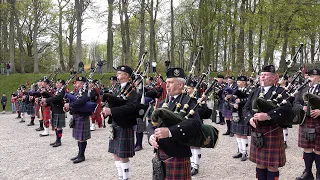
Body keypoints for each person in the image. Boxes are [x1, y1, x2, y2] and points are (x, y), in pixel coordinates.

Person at [148, 67, 201, 180]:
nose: (166, 85)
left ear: (181, 85)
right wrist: (151, 136)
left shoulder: (188, 101)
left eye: (170, 82)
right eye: (166, 82)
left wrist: (170, 132)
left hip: (177, 154)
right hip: (160, 154)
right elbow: (152, 124)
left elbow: (195, 123)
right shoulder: (162, 103)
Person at [243, 65, 294, 180]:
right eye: (261, 75)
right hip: (257, 131)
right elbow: (246, 108)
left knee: (272, 165)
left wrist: (268, 116)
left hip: (272, 131)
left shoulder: (281, 91)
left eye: (265, 75)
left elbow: (286, 109)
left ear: (273, 78)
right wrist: (250, 118)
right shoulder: (254, 91)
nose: (262, 77)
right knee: (259, 163)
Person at [101, 65, 138, 180]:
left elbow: (130, 107)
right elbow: (111, 101)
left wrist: (111, 111)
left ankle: (126, 177)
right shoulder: (117, 87)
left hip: (124, 123)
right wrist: (106, 110)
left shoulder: (132, 90)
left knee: (123, 154)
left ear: (126, 75)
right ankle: (120, 176)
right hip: (115, 122)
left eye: (119, 73)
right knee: (115, 152)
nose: (117, 75)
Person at [294, 69, 320, 180]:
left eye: (314, 75)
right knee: (307, 148)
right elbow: (295, 103)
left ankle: (319, 174)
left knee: (318, 149)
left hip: (319, 121)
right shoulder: (302, 88)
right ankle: (308, 173)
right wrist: (302, 107)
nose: (310, 77)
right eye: (309, 75)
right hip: (305, 120)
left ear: (319, 77)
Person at [64, 76, 91, 163]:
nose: (77, 84)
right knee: (79, 137)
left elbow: (80, 102)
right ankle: (79, 154)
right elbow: (73, 102)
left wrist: (70, 105)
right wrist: (68, 108)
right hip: (76, 116)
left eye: (80, 83)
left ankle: (82, 155)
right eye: (77, 83)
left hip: (82, 116)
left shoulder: (86, 92)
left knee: (82, 138)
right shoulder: (77, 92)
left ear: (84, 84)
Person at [231, 76, 251, 161]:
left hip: (243, 113)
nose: (238, 82)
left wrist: (241, 101)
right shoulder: (235, 89)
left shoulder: (249, 89)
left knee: (243, 134)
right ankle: (240, 150)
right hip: (236, 112)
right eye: (237, 81)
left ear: (244, 82)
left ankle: (244, 152)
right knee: (237, 133)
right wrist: (233, 104)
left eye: (239, 81)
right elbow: (231, 99)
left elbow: (250, 100)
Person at [42, 79, 66, 147]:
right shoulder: (57, 91)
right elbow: (53, 98)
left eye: (59, 83)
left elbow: (56, 98)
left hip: (59, 110)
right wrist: (47, 103)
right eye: (57, 83)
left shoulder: (62, 91)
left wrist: (46, 100)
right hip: (55, 109)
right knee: (56, 126)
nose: (57, 84)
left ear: (62, 84)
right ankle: (57, 140)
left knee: (59, 127)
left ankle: (59, 140)